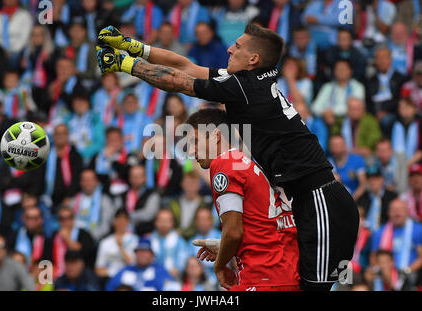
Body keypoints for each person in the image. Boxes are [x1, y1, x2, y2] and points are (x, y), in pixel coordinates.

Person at [97, 23, 360, 291]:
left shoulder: (243, 88)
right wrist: (136, 47)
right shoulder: (248, 81)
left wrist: (126, 65)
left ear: (253, 59)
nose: (229, 48)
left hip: (321, 202)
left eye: (238, 46)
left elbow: (179, 81)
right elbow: (187, 66)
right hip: (306, 202)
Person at [185, 108, 300, 291]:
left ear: (216, 136)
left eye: (195, 142)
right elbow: (257, 225)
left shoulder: (223, 165)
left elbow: (233, 232)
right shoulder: (242, 161)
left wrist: (219, 265)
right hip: (283, 271)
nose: (191, 151)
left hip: (263, 276)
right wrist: (225, 247)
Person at [369, 199, 422, 283]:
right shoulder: (379, 232)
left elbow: (421, 257)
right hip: (384, 277)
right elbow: (373, 257)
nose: (397, 213)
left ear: (407, 212)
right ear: (388, 213)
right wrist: (381, 271)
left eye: (400, 209)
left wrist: (406, 271)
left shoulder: (418, 230)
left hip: (410, 275)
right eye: (394, 210)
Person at [105, 237, 178, 291]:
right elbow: (109, 288)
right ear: (135, 254)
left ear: (152, 255)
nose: (142, 255)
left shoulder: (160, 272)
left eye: (146, 251)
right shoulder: (125, 271)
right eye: (140, 251)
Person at [41, 124, 83, 211]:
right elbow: (39, 176)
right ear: (53, 136)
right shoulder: (45, 154)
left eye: (63, 133)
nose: (60, 136)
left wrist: (69, 197)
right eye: (57, 134)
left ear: (68, 135)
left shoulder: (75, 155)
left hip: (70, 199)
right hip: (47, 197)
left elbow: (77, 179)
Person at [69, 169, 116, 241]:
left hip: (97, 240)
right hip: (75, 239)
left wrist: (88, 238)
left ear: (97, 182)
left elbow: (106, 226)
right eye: (84, 180)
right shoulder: (73, 201)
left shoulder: (105, 201)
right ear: (80, 182)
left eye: (90, 180)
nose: (87, 183)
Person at [94, 208, 138, 281]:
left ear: (128, 222)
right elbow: (98, 269)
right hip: (109, 279)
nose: (121, 222)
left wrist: (121, 247)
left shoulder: (134, 240)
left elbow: (134, 264)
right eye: (118, 219)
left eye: (124, 220)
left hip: (129, 278)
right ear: (114, 221)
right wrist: (113, 273)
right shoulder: (105, 242)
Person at [52, 206, 95, 279]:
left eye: (69, 218)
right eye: (62, 219)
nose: (66, 222)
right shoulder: (54, 235)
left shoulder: (84, 234)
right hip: (57, 274)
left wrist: (67, 239)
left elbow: (84, 253)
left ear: (73, 219)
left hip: (81, 275)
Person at [168, 171, 211, 240]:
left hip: (198, 237)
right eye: (188, 183)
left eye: (193, 183)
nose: (190, 186)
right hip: (176, 238)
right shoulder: (174, 203)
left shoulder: (205, 204)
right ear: (182, 184)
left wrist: (182, 233)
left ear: (199, 185)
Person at [121, 164, 161, 236]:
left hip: (146, 234)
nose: (136, 178)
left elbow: (148, 215)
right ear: (129, 178)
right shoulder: (123, 195)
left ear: (145, 178)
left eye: (139, 176)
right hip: (124, 233)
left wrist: (127, 216)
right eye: (133, 176)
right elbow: (118, 214)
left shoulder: (153, 194)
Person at [149, 209, 189, 278]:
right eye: (161, 220)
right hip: (152, 275)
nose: (163, 223)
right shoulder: (149, 239)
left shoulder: (179, 241)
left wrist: (177, 270)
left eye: (167, 221)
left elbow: (183, 260)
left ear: (172, 223)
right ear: (155, 222)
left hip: (172, 277)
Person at [357, 166, 398, 233]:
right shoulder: (362, 198)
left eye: (376, 178)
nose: (373, 182)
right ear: (367, 181)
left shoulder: (392, 197)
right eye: (370, 179)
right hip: (365, 233)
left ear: (382, 179)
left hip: (387, 232)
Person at [328, 135, 367, 200]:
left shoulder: (357, 160)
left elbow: (363, 185)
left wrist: (351, 200)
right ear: (330, 147)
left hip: (356, 199)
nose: (337, 148)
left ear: (345, 145)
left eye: (339, 145)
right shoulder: (328, 163)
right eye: (334, 145)